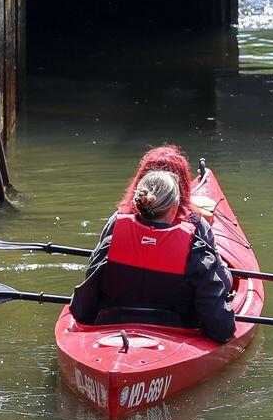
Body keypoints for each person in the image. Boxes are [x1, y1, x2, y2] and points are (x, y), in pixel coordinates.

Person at [69, 144, 236, 341]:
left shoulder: (114, 236)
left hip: (111, 323)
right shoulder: (196, 247)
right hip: (176, 330)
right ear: (175, 203)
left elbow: (85, 301)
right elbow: (221, 320)